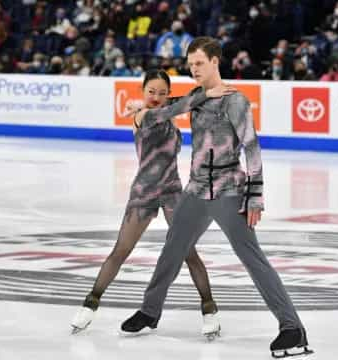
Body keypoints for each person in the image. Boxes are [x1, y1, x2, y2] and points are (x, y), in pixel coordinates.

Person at [121, 37, 313, 357]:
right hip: (195, 191)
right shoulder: (196, 96)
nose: (193, 68)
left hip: (228, 191)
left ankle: (292, 328)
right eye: (190, 63)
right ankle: (150, 311)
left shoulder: (235, 101)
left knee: (252, 258)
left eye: (199, 63)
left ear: (215, 62)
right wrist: (141, 108)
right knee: (172, 249)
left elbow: (252, 147)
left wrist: (254, 198)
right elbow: (163, 113)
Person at [71, 69, 236, 334]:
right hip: (144, 193)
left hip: (172, 192)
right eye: (151, 91)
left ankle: (209, 311)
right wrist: (204, 94)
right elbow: (170, 109)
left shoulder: (167, 114)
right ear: (142, 91)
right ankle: (89, 305)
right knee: (120, 251)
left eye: (162, 93)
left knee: (188, 253)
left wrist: (204, 96)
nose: (156, 97)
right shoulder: (142, 116)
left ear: (168, 94)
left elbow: (177, 104)